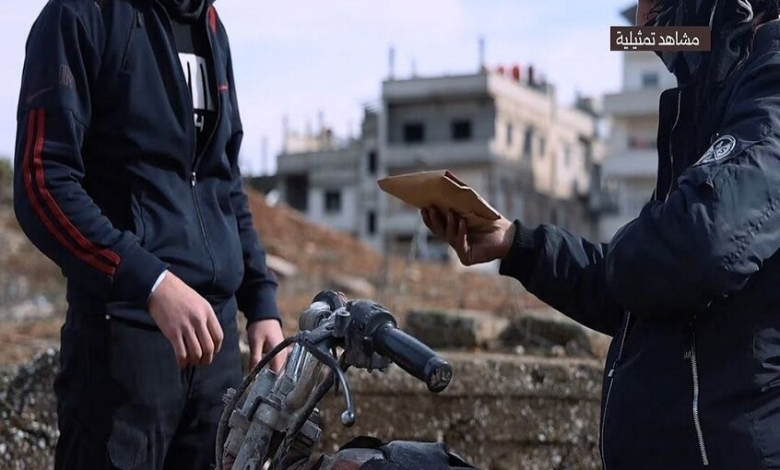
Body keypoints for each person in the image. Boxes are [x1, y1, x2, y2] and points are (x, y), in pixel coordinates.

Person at [422, 0, 780, 468]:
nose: (643, 26)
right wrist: (516, 244)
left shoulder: (769, 83)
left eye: (657, 9)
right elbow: (641, 296)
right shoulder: (711, 106)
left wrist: (632, 245)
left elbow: (698, 245)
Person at [13, 0, 287, 468]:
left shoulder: (210, 24)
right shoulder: (79, 14)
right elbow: (43, 181)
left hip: (216, 349)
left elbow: (223, 180)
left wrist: (260, 302)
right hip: (122, 347)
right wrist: (150, 282)